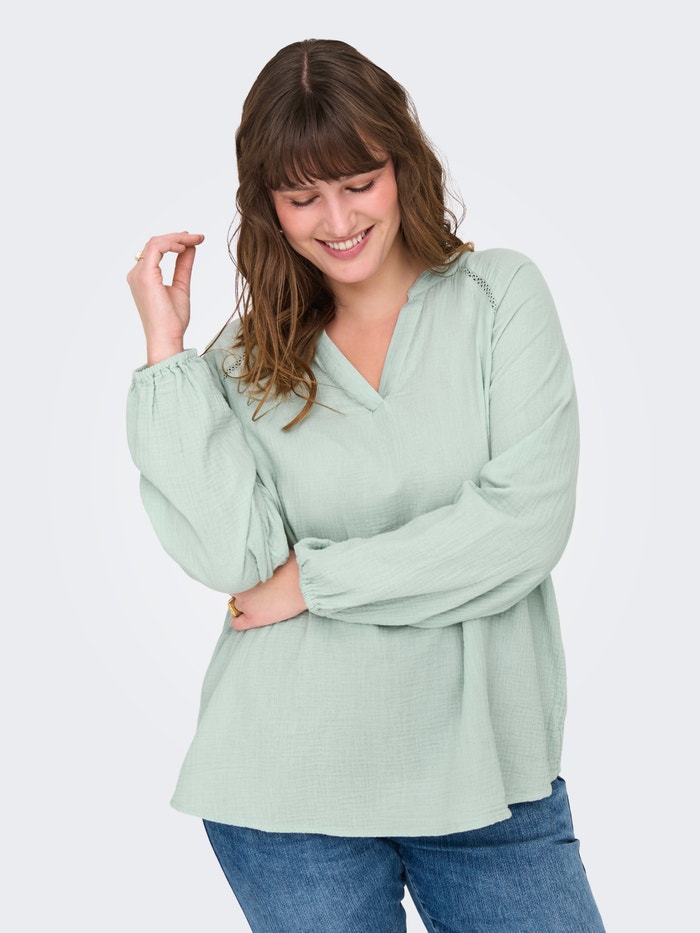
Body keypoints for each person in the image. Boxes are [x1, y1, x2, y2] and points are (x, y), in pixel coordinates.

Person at [126, 38, 605, 933]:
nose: (338, 219)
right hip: (286, 787)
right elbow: (235, 562)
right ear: (267, 207)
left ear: (402, 167)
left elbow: (524, 526)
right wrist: (166, 354)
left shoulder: (498, 298)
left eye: (359, 182)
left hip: (489, 780)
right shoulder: (244, 357)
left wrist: (313, 582)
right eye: (302, 197)